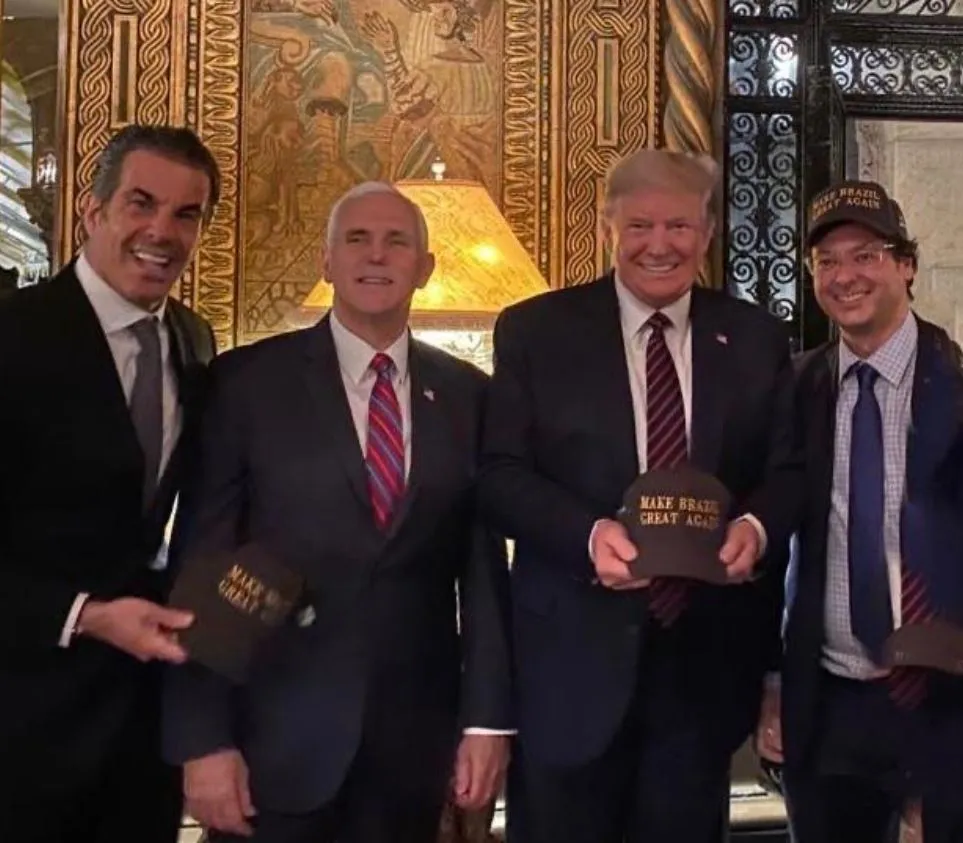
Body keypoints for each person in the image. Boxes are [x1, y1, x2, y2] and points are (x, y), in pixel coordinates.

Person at [162, 181, 513, 843]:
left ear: (425, 267)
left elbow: (484, 576)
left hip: (412, 747)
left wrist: (486, 721)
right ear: (326, 262)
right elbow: (202, 564)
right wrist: (202, 739)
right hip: (271, 741)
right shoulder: (246, 384)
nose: (376, 254)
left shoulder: (470, 396)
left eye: (396, 241)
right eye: (356, 239)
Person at [479, 148, 801, 843]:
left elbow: (788, 473)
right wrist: (586, 536)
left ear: (706, 233)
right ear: (608, 229)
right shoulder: (535, 331)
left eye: (679, 226)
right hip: (569, 662)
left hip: (702, 668)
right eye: (640, 226)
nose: (660, 244)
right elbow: (499, 474)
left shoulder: (755, 337)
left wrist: (755, 525)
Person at [0, 124, 221, 843]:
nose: (162, 231)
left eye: (186, 214)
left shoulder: (195, 339)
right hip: (22, 720)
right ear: (93, 210)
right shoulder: (13, 336)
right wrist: (85, 615)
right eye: (141, 203)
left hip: (139, 731)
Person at [761, 180, 963, 842]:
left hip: (946, 700)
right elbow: (768, 541)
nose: (845, 276)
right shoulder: (793, 389)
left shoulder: (958, 386)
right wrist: (771, 682)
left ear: (907, 265)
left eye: (866, 255)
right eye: (827, 261)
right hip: (829, 700)